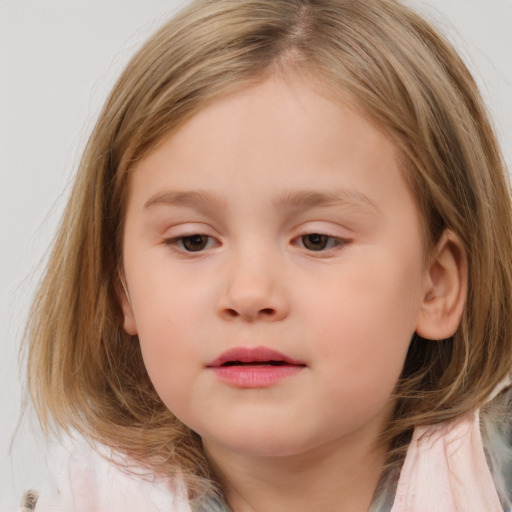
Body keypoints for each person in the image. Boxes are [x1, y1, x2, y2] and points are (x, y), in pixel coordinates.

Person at [23, 0, 512, 510]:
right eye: (193, 241)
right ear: (121, 287)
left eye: (317, 240)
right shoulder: (84, 498)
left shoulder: (492, 476)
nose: (250, 294)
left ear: (436, 285)